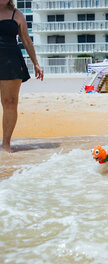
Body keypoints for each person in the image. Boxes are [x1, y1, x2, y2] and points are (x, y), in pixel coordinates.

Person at [0, 0, 43, 152]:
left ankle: (5, 143)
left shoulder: (17, 14)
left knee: (10, 102)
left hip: (11, 60)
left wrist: (35, 63)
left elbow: (26, 40)